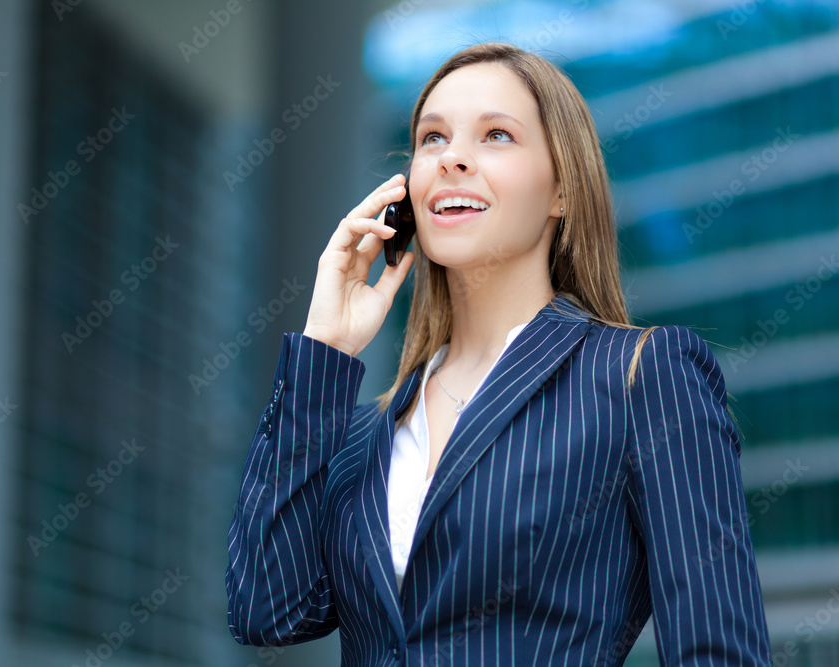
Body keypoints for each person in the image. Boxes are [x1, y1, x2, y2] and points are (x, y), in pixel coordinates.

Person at [226, 42, 771, 666]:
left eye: (496, 135)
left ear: (561, 190)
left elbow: (719, 653)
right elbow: (266, 609)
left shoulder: (642, 378)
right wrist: (326, 350)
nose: (452, 157)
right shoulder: (364, 433)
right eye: (432, 138)